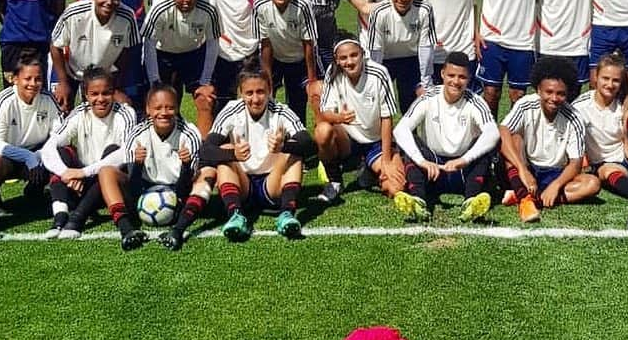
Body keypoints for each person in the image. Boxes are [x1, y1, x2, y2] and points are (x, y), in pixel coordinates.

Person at [198, 66, 313, 241]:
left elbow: (310, 146)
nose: (255, 99)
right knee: (226, 151)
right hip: (243, 186)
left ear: (270, 91)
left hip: (272, 185)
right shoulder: (231, 110)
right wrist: (234, 155)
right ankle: (235, 214)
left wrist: (283, 146)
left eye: (260, 92)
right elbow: (205, 150)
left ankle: (286, 213)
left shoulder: (281, 110)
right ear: (240, 93)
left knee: (293, 151)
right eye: (249, 93)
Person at [392, 51, 499, 223]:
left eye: (462, 77)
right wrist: (422, 161)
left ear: (469, 78)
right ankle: (418, 201)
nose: (456, 81)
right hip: (432, 169)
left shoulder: (476, 101)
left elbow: (493, 133)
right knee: (412, 142)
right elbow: (400, 129)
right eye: (451, 75)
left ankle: (471, 202)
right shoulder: (429, 97)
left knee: (484, 146)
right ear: (442, 74)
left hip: (463, 170)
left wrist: (464, 159)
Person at [97, 83, 202, 251]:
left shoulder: (190, 133)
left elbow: (185, 188)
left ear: (177, 108)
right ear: (148, 109)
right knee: (106, 171)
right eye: (158, 108)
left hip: (179, 194)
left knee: (206, 174)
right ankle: (126, 229)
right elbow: (134, 187)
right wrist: (137, 164)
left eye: (169, 107)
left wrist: (186, 165)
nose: (163, 113)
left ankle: (180, 226)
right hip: (143, 190)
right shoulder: (137, 133)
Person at [498, 56, 600, 223]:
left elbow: (575, 163)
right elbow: (502, 131)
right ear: (538, 90)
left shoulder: (575, 118)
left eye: (560, 93)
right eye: (549, 92)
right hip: (525, 167)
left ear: (567, 94)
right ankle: (524, 198)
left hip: (554, 173)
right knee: (513, 135)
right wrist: (523, 169)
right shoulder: (526, 105)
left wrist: (556, 185)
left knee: (592, 184)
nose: (554, 98)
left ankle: (530, 197)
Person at [40, 66, 138, 238]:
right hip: (82, 182)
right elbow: (49, 147)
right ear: (86, 95)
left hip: (112, 183)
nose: (100, 99)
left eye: (106, 93)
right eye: (94, 94)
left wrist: (82, 172)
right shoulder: (79, 113)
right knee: (63, 152)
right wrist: (66, 174)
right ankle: (60, 217)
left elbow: (126, 152)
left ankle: (77, 219)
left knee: (112, 150)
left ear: (113, 93)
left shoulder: (126, 113)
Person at [311, 37, 403, 205]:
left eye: (354, 55)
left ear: (363, 54)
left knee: (396, 187)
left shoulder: (378, 73)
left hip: (375, 141)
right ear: (337, 60)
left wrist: (387, 159)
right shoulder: (333, 72)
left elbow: (387, 117)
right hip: (348, 141)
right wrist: (340, 118)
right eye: (343, 58)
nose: (349, 62)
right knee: (322, 131)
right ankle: (334, 181)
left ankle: (369, 170)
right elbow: (325, 112)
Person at [0, 49, 63, 215]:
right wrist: (28, 157)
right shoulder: (4, 100)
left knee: (63, 153)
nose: (33, 83)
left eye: (38, 79)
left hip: (35, 152)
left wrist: (38, 155)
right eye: (27, 78)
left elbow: (60, 135)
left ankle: (35, 189)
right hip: (5, 156)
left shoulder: (47, 99)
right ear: (15, 79)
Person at [141, 0, 221, 135]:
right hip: (163, 55)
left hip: (194, 54)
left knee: (205, 99)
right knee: (162, 103)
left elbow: (213, 42)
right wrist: (154, 81)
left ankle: (204, 153)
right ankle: (165, 146)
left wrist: (205, 80)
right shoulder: (160, 7)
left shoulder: (209, 5)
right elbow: (149, 44)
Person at [49, 0, 141, 111]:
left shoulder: (127, 17)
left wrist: (115, 86)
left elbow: (127, 51)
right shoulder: (74, 12)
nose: (109, 2)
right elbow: (55, 46)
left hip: (103, 75)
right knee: (60, 107)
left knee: (123, 106)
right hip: (71, 71)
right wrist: (63, 82)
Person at [571, 51, 628, 202]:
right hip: (604, 164)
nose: (610, 85)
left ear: (622, 82)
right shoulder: (580, 106)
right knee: (608, 172)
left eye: (616, 80)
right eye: (605, 78)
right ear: (596, 77)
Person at [254, 0, 320, 122]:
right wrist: (267, 77)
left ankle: (297, 142)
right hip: (275, 59)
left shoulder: (303, 5)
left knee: (298, 106)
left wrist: (311, 80)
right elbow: (265, 44)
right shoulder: (260, 5)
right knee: (266, 99)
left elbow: (309, 44)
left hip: (299, 61)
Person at [366, 0, 437, 113]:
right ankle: (379, 134)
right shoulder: (380, 12)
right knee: (378, 103)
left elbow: (426, 47)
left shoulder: (425, 9)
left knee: (414, 103)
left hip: (411, 61)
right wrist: (376, 81)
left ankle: (412, 134)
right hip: (386, 61)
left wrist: (425, 81)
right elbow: (375, 51)